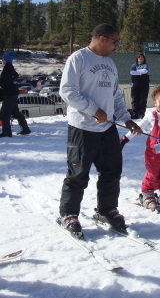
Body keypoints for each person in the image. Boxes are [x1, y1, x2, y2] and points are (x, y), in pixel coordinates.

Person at [58, 23, 142, 236]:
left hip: (107, 129)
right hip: (82, 128)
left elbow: (115, 95)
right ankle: (68, 214)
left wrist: (126, 119)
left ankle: (107, 210)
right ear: (102, 39)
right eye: (115, 42)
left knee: (112, 171)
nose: (117, 46)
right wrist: (93, 109)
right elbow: (67, 91)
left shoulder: (111, 64)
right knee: (78, 173)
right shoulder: (78, 59)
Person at [0, 51, 30, 138]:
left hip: (9, 94)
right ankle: (25, 128)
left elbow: (5, 83)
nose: (2, 60)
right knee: (15, 112)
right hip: (13, 93)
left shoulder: (7, 70)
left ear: (6, 60)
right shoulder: (11, 68)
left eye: (3, 59)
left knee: (5, 114)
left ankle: (7, 132)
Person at [129, 53, 150, 119]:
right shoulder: (134, 65)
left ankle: (141, 113)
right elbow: (131, 72)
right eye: (139, 57)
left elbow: (145, 70)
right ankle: (135, 113)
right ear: (137, 59)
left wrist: (136, 72)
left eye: (142, 57)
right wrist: (141, 72)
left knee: (143, 99)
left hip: (144, 84)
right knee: (135, 99)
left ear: (144, 59)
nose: (140, 59)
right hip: (135, 84)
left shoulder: (146, 65)